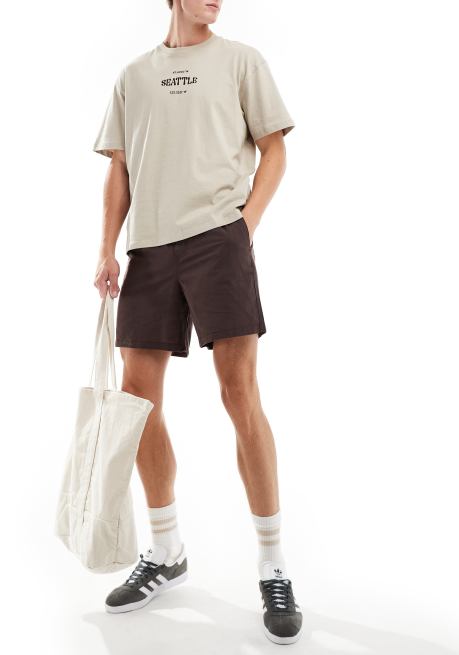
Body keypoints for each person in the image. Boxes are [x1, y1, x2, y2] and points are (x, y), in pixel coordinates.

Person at [92, 0, 301, 644]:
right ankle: (166, 550)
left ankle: (273, 564)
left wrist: (245, 226)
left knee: (240, 395)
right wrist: (107, 248)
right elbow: (120, 168)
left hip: (218, 238)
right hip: (149, 250)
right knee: (137, 404)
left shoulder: (240, 61)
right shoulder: (133, 75)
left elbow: (273, 150)